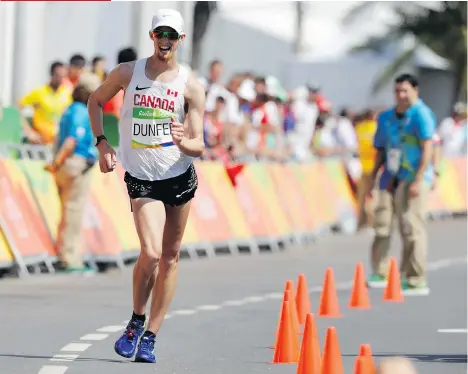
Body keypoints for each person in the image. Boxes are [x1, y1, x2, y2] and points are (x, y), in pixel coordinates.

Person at [87, 9, 205, 363]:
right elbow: (95, 101)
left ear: (180, 39)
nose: (165, 40)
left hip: (178, 176)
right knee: (151, 253)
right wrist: (102, 143)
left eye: (171, 34)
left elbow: (200, 144)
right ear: (152, 36)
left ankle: (151, 335)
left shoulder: (191, 86)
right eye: (159, 33)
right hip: (141, 177)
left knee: (170, 256)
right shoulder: (128, 72)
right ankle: (136, 320)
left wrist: (185, 143)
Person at [367, 74, 436, 296]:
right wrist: (373, 177)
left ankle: (415, 279)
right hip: (389, 177)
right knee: (382, 225)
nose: (401, 95)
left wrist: (419, 179)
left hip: (413, 176)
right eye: (397, 91)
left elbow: (428, 148)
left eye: (405, 91)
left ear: (415, 91)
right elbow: (380, 149)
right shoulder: (386, 118)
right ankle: (381, 271)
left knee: (412, 228)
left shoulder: (421, 115)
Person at [44, 77, 100, 273]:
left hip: (67, 165)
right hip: (76, 164)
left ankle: (65, 254)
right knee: (73, 212)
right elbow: (71, 140)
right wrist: (56, 162)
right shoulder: (80, 112)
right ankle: (70, 258)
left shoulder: (69, 110)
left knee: (68, 211)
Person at [18, 61, 71, 145]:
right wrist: (29, 132)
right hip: (39, 142)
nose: (60, 79)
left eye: (63, 76)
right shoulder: (39, 92)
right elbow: (17, 109)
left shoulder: (67, 94)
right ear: (51, 74)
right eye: (57, 76)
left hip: (57, 143)